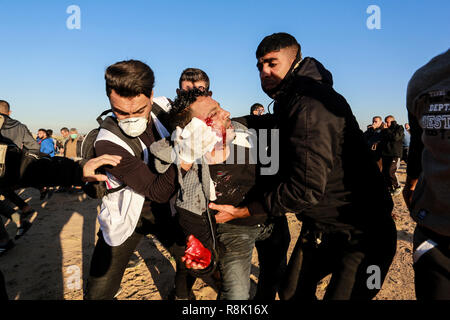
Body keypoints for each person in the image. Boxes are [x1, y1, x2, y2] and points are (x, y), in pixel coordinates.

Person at [210, 32, 397, 300]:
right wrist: (226, 120)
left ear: (294, 61)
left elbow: (305, 189)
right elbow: (273, 124)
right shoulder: (294, 99)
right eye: (260, 66)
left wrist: (242, 211)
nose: (264, 72)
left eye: (272, 64)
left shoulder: (309, 105)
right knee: (291, 292)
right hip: (321, 227)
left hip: (361, 231)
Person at [154, 87, 290, 300]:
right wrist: (206, 259)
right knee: (235, 296)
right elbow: (190, 216)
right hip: (234, 231)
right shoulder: (191, 173)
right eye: (213, 114)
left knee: (272, 278)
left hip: (273, 222)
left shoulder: (249, 130)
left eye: (219, 108)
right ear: (195, 131)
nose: (226, 113)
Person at [83, 59, 187, 300]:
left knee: (193, 259)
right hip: (127, 215)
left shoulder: (165, 108)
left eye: (139, 111)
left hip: (169, 212)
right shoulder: (107, 141)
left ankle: (182, 295)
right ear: (109, 98)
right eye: (120, 112)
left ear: (151, 95)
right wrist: (186, 154)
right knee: (99, 291)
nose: (130, 119)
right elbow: (156, 190)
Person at [403, 48, 450, 300]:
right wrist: (411, 183)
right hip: (437, 235)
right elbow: (420, 147)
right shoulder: (426, 79)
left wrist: (410, 184)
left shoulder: (425, 78)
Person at [0, 100, 38, 239]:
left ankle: (4, 241)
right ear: (8, 111)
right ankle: (22, 217)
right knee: (4, 194)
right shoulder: (20, 126)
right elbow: (34, 146)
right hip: (13, 169)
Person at [380, 115, 405, 195]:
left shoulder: (399, 128)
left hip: (395, 154)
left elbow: (395, 137)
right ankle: (389, 188)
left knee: (391, 171)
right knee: (385, 172)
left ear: (392, 121)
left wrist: (386, 130)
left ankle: (398, 186)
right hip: (385, 154)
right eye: (385, 122)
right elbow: (382, 139)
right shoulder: (384, 130)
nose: (386, 124)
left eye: (387, 122)